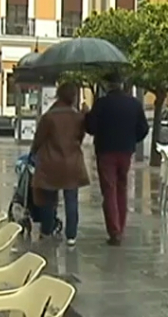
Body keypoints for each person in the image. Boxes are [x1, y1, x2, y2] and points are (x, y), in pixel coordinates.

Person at [85, 73, 149, 246]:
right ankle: (121, 226)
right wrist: (131, 140)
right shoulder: (134, 104)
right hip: (126, 151)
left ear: (107, 85)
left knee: (109, 190)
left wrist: (87, 114)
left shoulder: (102, 104)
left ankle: (114, 231)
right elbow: (143, 128)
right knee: (122, 188)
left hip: (106, 151)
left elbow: (90, 128)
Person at [30, 82, 89, 245]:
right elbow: (80, 138)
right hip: (72, 163)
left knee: (48, 199)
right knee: (71, 199)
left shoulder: (49, 117)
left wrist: (33, 153)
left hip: (51, 162)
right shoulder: (78, 117)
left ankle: (47, 229)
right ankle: (71, 235)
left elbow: (39, 139)